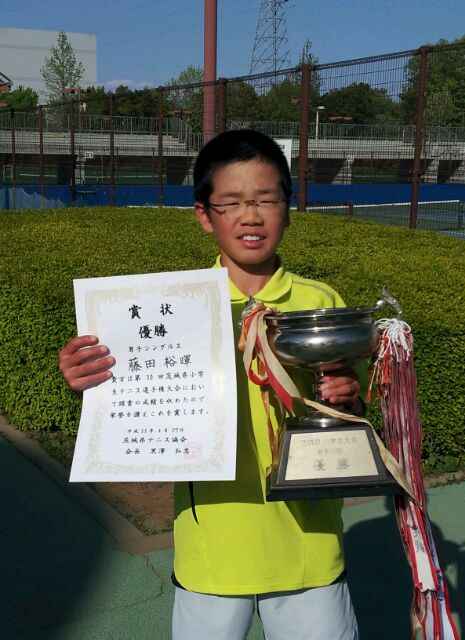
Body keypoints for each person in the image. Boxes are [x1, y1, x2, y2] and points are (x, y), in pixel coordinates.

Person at [59, 130, 363, 640]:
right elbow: (125, 396)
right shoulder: (173, 308)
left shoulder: (321, 301)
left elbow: (358, 405)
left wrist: (348, 395)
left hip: (309, 546)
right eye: (232, 202)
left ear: (288, 207)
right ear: (204, 215)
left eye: (266, 199)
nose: (251, 216)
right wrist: (88, 378)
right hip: (211, 551)